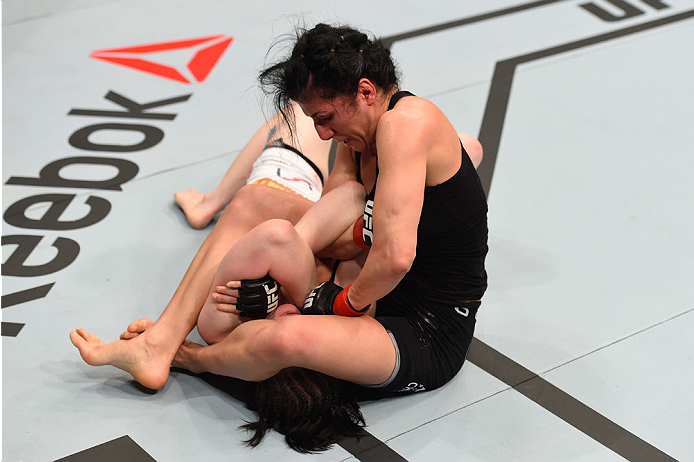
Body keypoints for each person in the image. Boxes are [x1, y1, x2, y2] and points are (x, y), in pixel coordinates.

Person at [70, 22, 486, 451]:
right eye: (315, 121)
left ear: (364, 91)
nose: (322, 134)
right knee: (254, 202)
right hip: (370, 286)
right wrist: (276, 285)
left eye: (325, 118)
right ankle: (158, 343)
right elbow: (341, 234)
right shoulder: (358, 134)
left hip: (424, 329)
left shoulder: (404, 126)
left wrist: (335, 302)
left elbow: (396, 256)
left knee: (287, 338)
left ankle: (188, 357)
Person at [174, 103, 331, 229]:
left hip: (270, 211)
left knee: (299, 107)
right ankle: (209, 203)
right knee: (307, 105)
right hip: (301, 223)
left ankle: (209, 203)